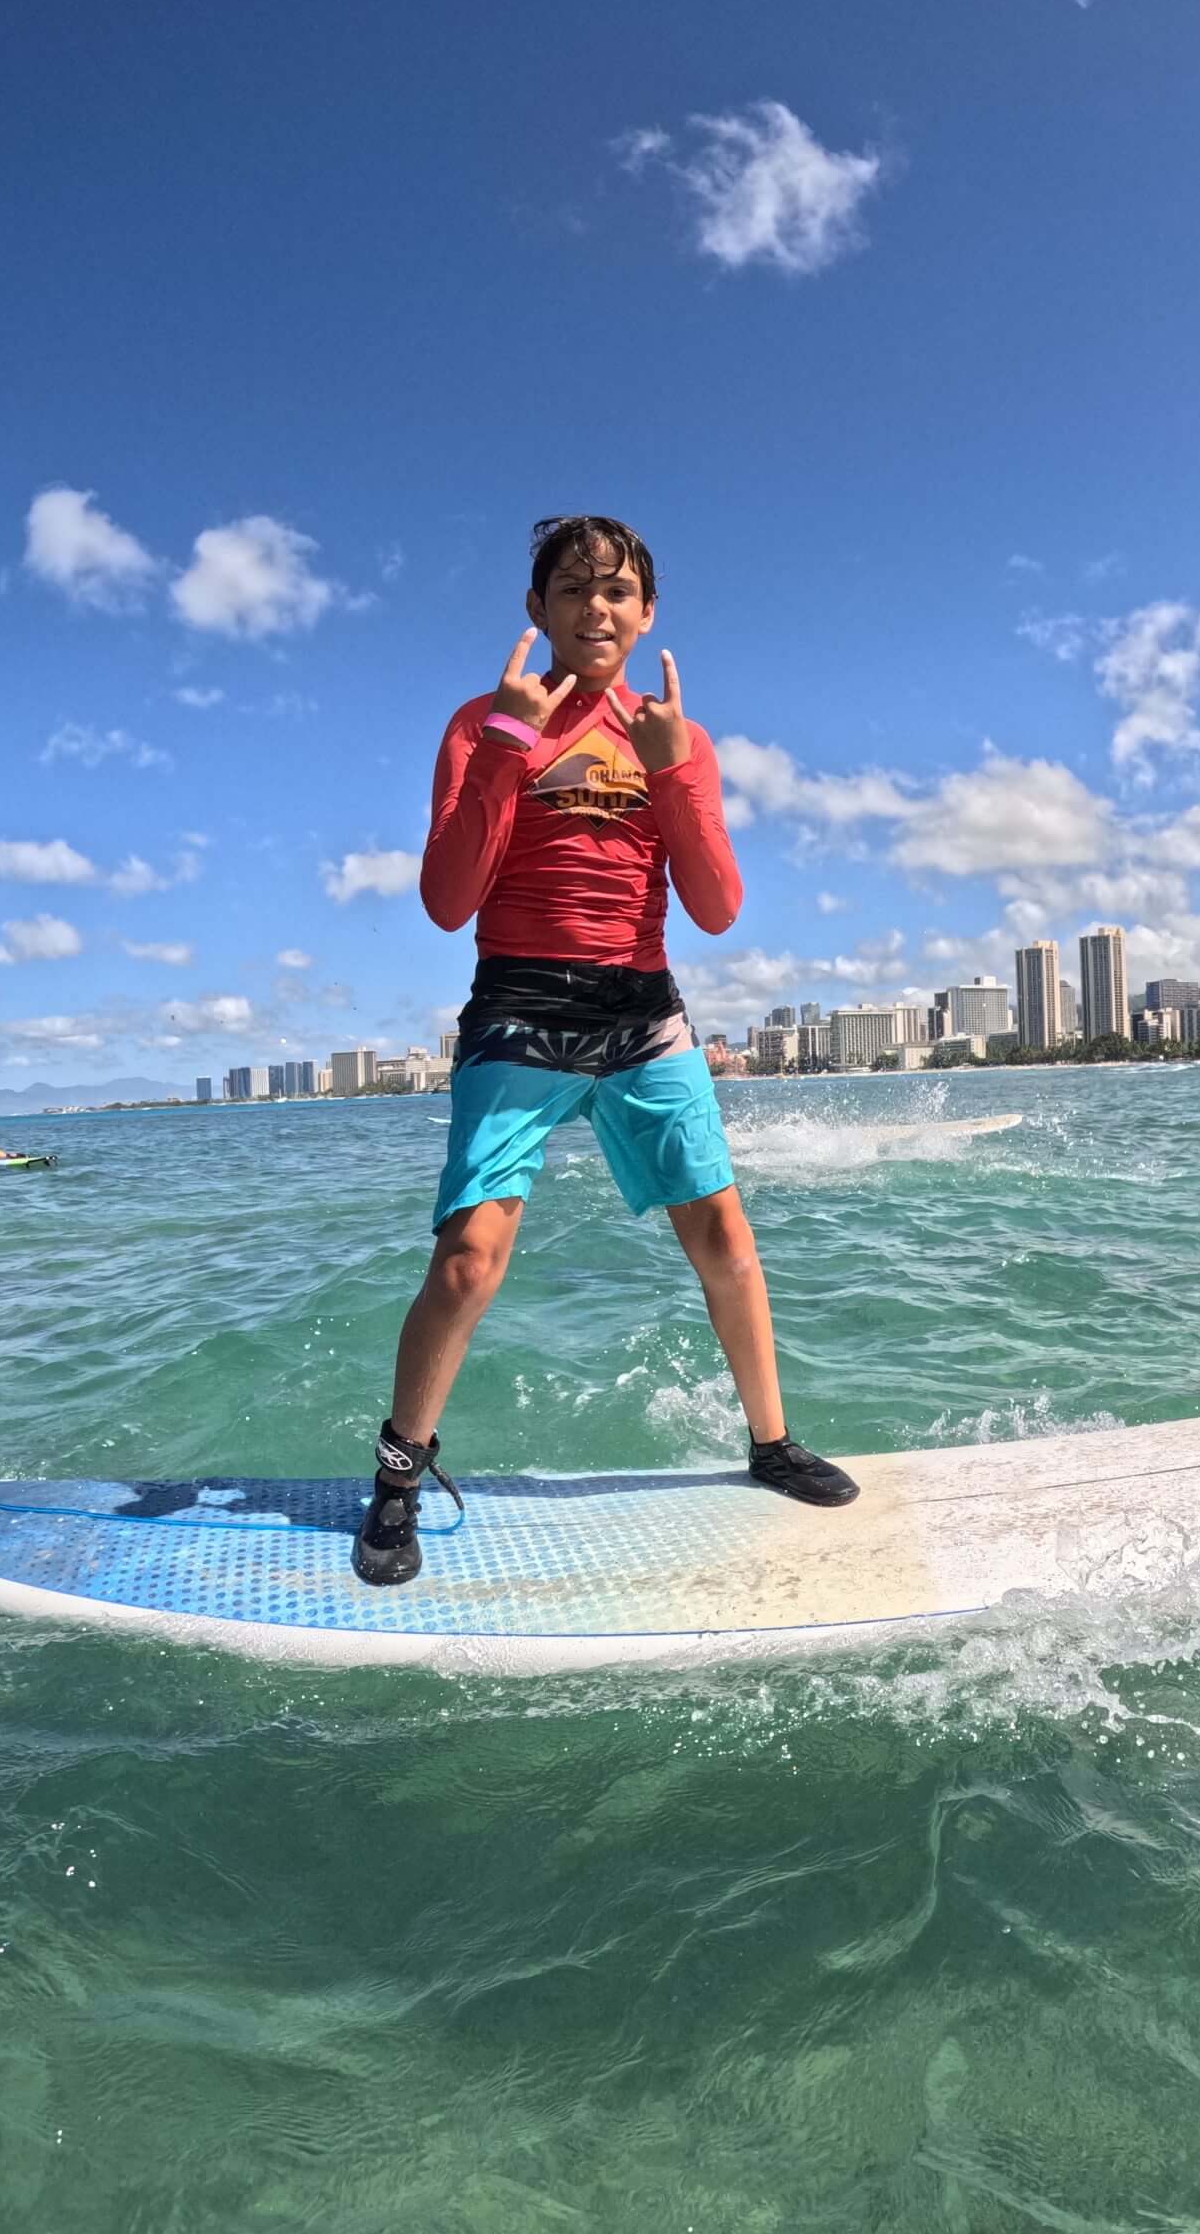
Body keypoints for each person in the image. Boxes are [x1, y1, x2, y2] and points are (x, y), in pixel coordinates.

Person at [355, 515, 856, 1588]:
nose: (598, 606)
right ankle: (399, 1473)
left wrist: (673, 773)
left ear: (648, 612)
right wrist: (504, 747)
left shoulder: (676, 734)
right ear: (535, 610)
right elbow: (448, 902)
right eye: (574, 588)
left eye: (620, 589)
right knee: (467, 1259)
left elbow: (717, 908)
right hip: (519, 1009)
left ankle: (770, 1443)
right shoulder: (482, 723)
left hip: (642, 1012)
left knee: (724, 1232)